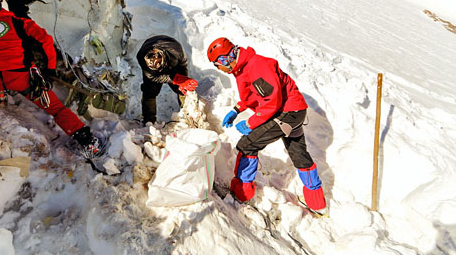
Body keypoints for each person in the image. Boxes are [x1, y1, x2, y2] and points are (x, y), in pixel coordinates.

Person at [0, 0, 102, 156]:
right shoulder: (18, 22)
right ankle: (88, 142)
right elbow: (45, 41)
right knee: (55, 108)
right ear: (5, 8)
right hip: (17, 77)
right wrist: (49, 68)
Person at [207, 37, 326, 212]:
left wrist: (250, 122)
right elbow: (254, 96)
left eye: (218, 65)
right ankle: (317, 203)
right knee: (298, 154)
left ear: (225, 59)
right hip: (293, 111)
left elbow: (271, 101)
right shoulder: (242, 68)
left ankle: (241, 195)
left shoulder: (256, 66)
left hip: (286, 113)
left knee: (247, 145)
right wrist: (237, 109)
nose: (220, 69)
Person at [136, 35, 198, 124]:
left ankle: (188, 114)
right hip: (152, 72)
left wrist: (183, 80)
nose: (160, 71)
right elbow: (153, 77)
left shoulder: (176, 51)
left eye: (160, 68)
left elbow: (183, 65)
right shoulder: (141, 57)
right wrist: (174, 79)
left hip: (173, 64)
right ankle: (148, 120)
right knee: (149, 91)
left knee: (182, 89)